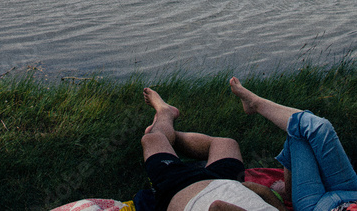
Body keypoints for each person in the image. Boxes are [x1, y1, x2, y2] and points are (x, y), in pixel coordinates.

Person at [141, 87, 287, 211]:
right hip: (227, 182)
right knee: (226, 143)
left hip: (180, 190)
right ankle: (167, 133)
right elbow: (260, 190)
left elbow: (217, 207)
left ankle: (165, 114)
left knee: (152, 139)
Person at [229, 76, 357, 211]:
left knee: (297, 135)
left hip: (318, 206)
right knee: (320, 127)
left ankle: (290, 189)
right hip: (351, 192)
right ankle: (256, 104)